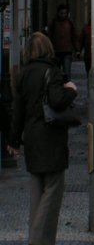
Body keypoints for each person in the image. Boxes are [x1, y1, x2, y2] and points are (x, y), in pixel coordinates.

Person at [6, 32, 77, 245]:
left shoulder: (23, 74)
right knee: (52, 192)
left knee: (37, 193)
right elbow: (56, 101)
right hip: (50, 138)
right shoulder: (51, 71)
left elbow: (17, 112)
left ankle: (40, 239)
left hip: (32, 139)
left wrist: (13, 141)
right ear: (48, 48)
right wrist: (70, 90)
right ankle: (39, 241)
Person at [48, 5, 77, 80]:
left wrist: (77, 49)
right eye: (61, 13)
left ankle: (66, 88)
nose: (63, 15)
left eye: (65, 13)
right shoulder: (54, 23)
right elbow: (50, 36)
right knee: (56, 73)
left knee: (67, 73)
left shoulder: (69, 23)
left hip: (67, 51)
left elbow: (73, 36)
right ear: (58, 13)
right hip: (56, 51)